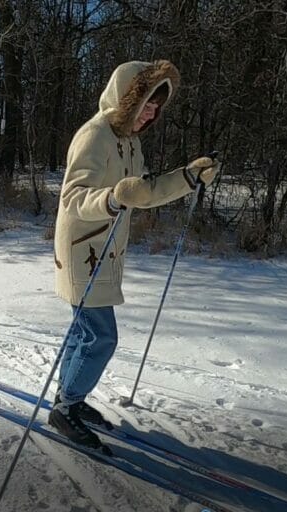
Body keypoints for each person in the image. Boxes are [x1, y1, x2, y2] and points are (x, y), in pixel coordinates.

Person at [50, 60, 220, 450]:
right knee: (101, 337)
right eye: (146, 103)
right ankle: (66, 407)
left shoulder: (130, 141)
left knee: (84, 332)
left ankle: (69, 399)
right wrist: (112, 197)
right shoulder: (94, 136)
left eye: (156, 108)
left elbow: (144, 192)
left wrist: (189, 176)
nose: (151, 113)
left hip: (107, 250)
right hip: (83, 251)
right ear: (126, 99)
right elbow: (73, 198)